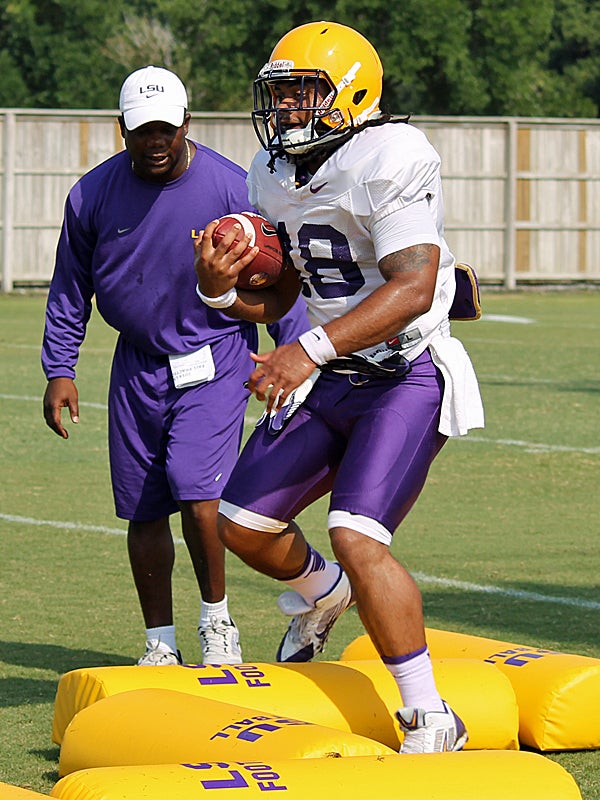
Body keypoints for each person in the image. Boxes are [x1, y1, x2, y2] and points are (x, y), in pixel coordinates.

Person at [194, 22, 485, 752]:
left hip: (404, 372)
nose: (287, 107)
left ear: (350, 94)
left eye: (304, 92)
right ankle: (327, 595)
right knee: (241, 526)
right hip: (331, 371)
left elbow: (417, 285)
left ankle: (429, 716)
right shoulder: (271, 169)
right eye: (282, 92)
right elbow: (292, 283)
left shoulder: (389, 155)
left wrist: (304, 351)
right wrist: (220, 293)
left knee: (356, 533)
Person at [41, 65, 308, 667]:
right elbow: (69, 288)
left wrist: (292, 356)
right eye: (142, 131)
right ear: (122, 130)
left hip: (214, 356)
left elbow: (279, 280)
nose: (155, 141)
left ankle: (218, 624)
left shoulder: (232, 188)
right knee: (142, 506)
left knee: (199, 494)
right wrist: (60, 368)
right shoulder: (90, 194)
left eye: (166, 129)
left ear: (187, 124)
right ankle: (159, 642)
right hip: (137, 363)